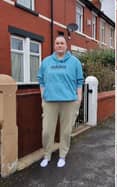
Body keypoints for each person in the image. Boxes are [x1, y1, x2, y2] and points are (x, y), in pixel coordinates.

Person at [37, 35, 84, 168]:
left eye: (62, 43)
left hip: (69, 101)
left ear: (66, 45)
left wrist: (79, 98)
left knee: (65, 131)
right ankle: (47, 155)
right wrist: (43, 96)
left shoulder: (74, 62)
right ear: (54, 45)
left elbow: (79, 81)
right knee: (47, 131)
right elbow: (41, 80)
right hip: (50, 101)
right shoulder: (46, 62)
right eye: (57, 43)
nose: (59, 45)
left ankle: (62, 155)